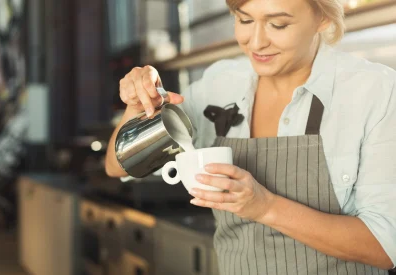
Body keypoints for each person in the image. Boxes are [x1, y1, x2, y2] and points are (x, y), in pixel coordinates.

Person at [105, 0, 396, 273]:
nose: (256, 42)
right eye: (244, 20)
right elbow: (118, 166)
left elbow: (386, 246)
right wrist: (137, 107)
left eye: (278, 25)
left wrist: (265, 207)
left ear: (322, 17)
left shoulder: (375, 92)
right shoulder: (219, 84)